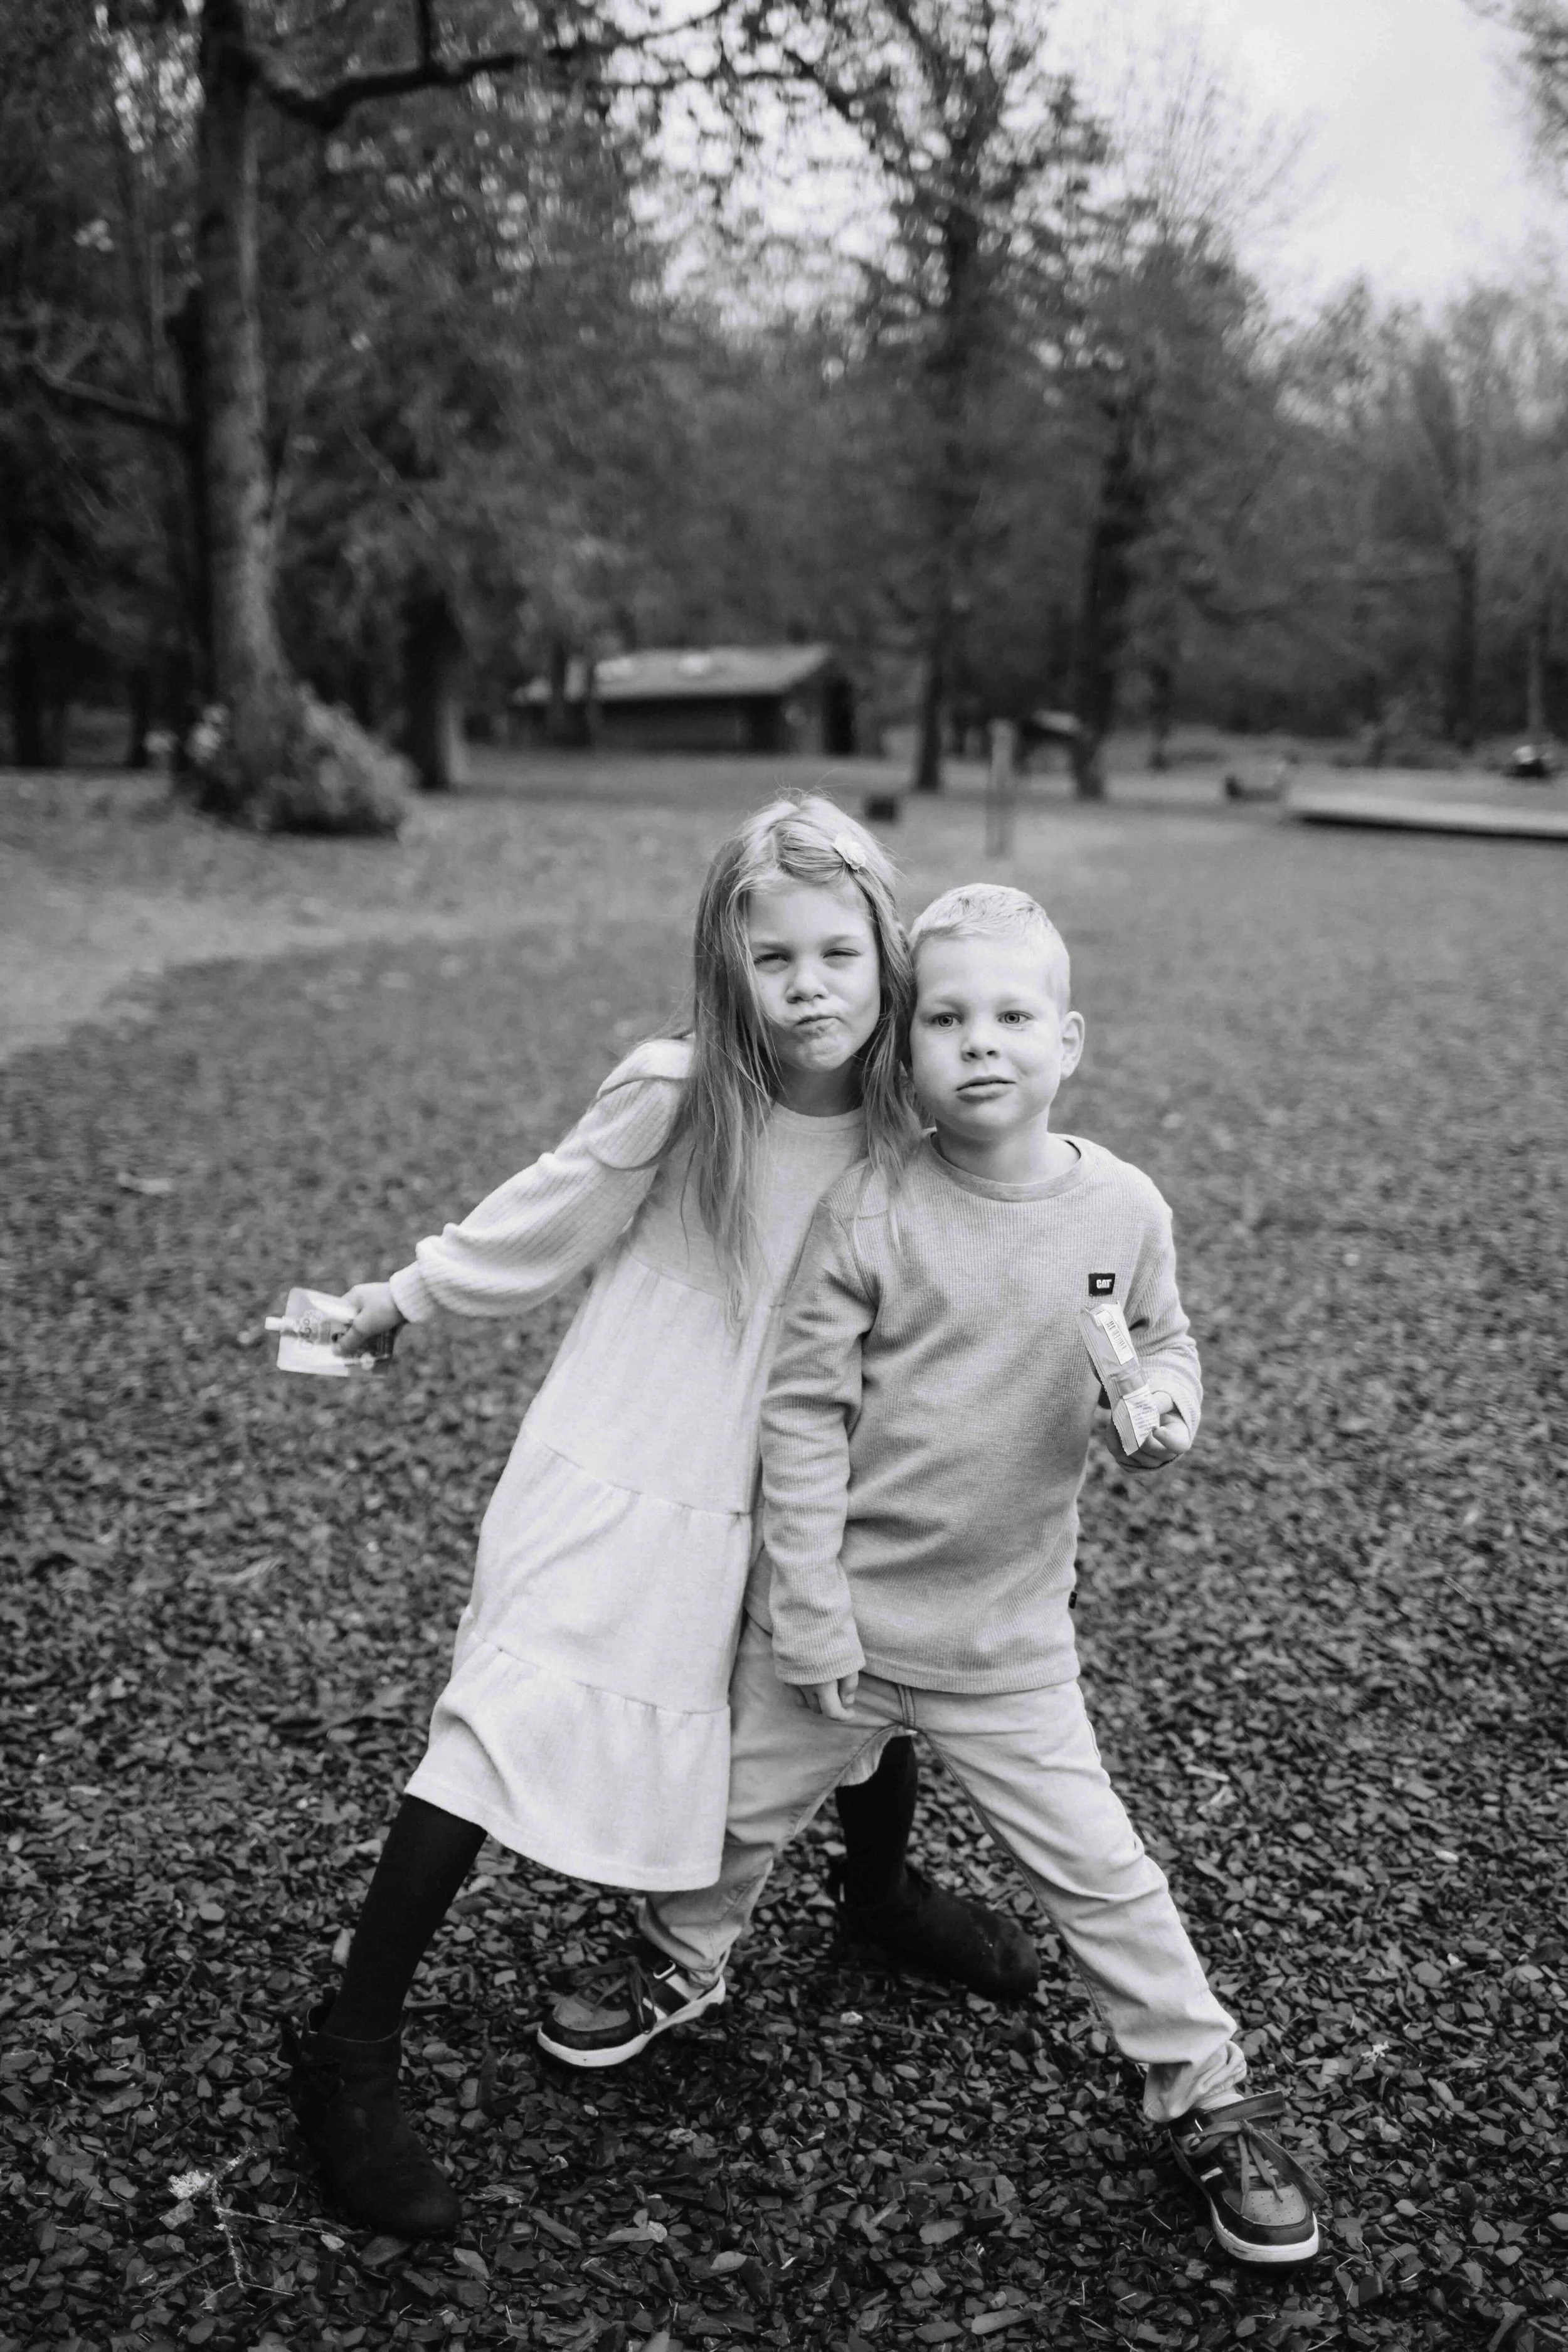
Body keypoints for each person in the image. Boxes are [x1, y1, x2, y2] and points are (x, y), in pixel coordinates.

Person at [282, 807, 1036, 2242]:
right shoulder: (683, 1091)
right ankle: (348, 2048)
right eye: (771, 957)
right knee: (507, 1707)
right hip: (634, 1446)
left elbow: (1004, 1232)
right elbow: (543, 1215)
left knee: (859, 1671)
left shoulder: (913, 1112)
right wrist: (397, 1301)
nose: (806, 986)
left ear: (887, 952)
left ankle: (877, 1893)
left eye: (837, 953)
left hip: (812, 1457)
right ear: (723, 963)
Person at [549, 883, 1322, 2269]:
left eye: (1013, 1017)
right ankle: (681, 1957)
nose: (981, 1045)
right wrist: (806, 1610)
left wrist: (1164, 1407)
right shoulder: (873, 1208)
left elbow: (1164, 1344)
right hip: (841, 1627)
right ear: (903, 1048)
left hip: (1004, 1641)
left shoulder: (1121, 1208)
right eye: (948, 1020)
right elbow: (800, 1415)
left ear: (1066, 1039)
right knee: (729, 1814)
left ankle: (1205, 2090)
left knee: (1101, 1873)